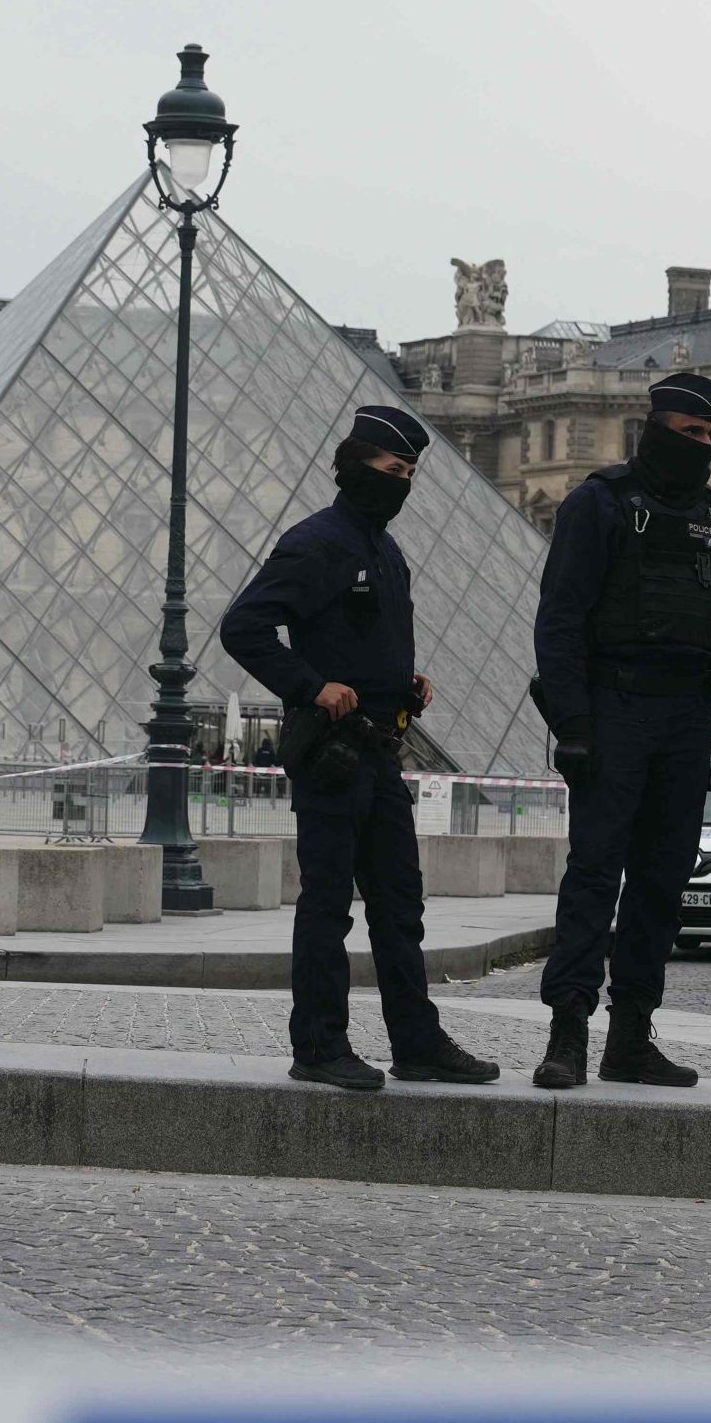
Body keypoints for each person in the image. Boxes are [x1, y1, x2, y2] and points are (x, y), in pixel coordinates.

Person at [217, 403, 499, 1092]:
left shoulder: (384, 547)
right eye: (391, 468)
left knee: (400, 904)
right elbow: (243, 626)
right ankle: (317, 1044)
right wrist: (312, 686)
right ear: (353, 466)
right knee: (328, 904)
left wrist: (405, 684)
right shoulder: (317, 542)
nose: (401, 482)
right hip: (334, 752)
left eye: (409, 472)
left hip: (380, 746)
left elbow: (362, 637)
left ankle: (416, 1042)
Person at [529, 369, 711, 1089]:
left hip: (683, 720)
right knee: (594, 875)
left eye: (708, 436)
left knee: (661, 884)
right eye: (688, 432)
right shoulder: (597, 504)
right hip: (613, 709)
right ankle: (567, 1030)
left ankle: (630, 1032)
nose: (698, 445)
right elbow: (560, 620)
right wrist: (572, 723)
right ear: (654, 427)